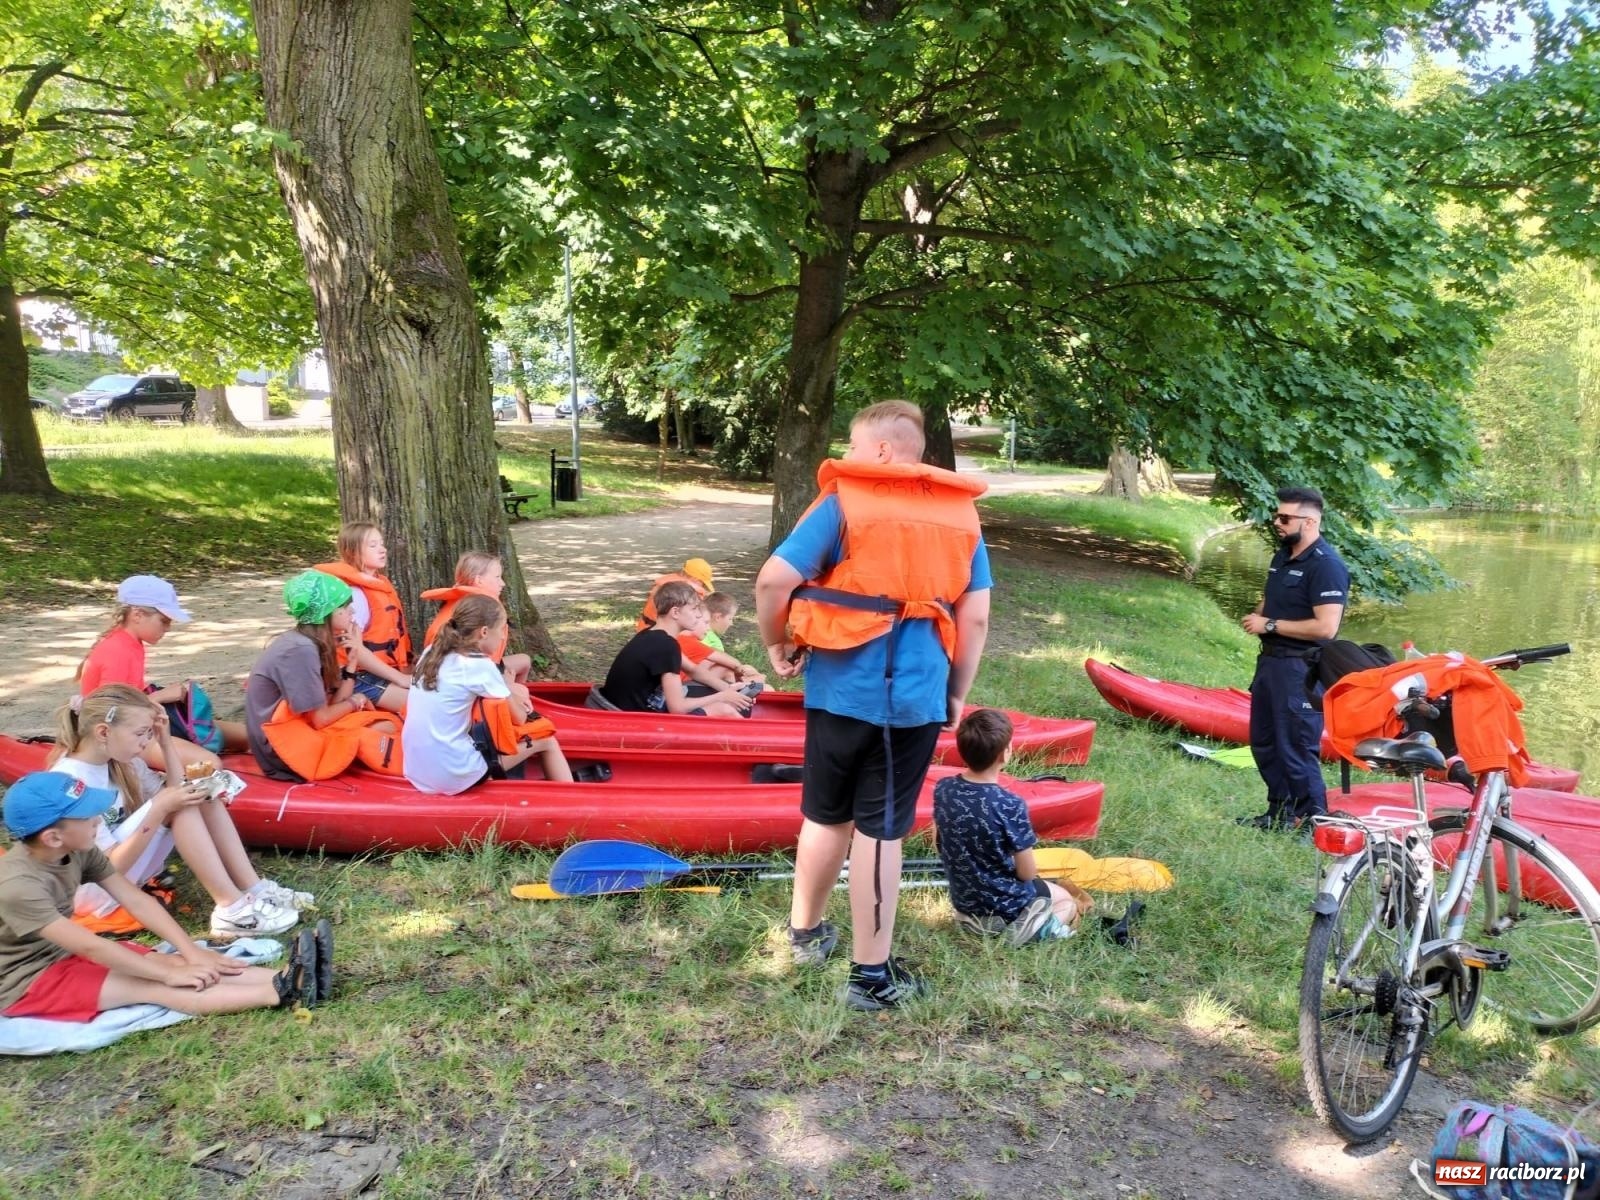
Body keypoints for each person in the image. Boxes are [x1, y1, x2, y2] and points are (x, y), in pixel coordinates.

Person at [755, 399, 992, 1011]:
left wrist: (778, 642)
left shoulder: (843, 503)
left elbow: (772, 581)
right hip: (912, 698)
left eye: (855, 447)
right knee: (881, 831)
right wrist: (958, 689)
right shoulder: (962, 517)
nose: (850, 457)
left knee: (825, 814)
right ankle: (871, 976)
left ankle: (804, 933)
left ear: (883, 451)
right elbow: (977, 614)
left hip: (837, 692)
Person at [0, 772, 330, 1022]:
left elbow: (136, 899)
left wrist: (189, 952)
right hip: (24, 981)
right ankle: (282, 991)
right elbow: (90, 945)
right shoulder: (18, 886)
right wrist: (170, 974)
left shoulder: (78, 850)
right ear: (53, 837)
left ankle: (296, 973)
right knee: (158, 985)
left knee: (171, 962)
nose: (97, 821)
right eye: (87, 817)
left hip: (63, 956)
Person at [49, 685, 306, 937]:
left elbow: (176, 787)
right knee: (177, 800)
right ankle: (232, 908)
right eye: (141, 733)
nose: (145, 742)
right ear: (104, 732)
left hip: (121, 876)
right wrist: (160, 808)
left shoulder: (119, 762)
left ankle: (256, 888)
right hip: (91, 889)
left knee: (197, 791)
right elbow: (103, 868)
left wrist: (166, 742)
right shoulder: (70, 782)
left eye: (149, 734)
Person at [1237, 485, 1349, 831]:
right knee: (1266, 742)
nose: (1277, 522)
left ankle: (1316, 822)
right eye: (1276, 515)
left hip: (1301, 669)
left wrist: (1268, 623)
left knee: (1297, 749)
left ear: (1310, 522)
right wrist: (1262, 613)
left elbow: (1326, 628)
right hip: (1270, 663)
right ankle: (1279, 814)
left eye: (1285, 517)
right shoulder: (1282, 557)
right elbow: (1273, 599)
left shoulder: (1327, 565)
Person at [932, 710, 1079, 946]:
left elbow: (938, 840)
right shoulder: (1010, 805)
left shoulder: (943, 788)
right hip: (1004, 901)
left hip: (964, 898)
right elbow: (1027, 873)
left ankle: (975, 920)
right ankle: (1032, 929)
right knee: (1066, 901)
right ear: (1005, 753)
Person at [403, 594, 572, 793]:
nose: (502, 636)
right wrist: (508, 685)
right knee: (547, 740)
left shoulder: (432, 651)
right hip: (451, 773)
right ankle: (572, 802)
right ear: (484, 632)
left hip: (416, 768)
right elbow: (519, 717)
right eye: (501, 630)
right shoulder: (479, 666)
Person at [76, 575, 247, 768]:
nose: (168, 628)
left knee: (249, 735)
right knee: (209, 764)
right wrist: (162, 696)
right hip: (120, 734)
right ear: (137, 615)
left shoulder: (130, 643)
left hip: (139, 722)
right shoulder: (118, 651)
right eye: (164, 621)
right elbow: (112, 712)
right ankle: (167, 793)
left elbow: (131, 695)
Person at [244, 570, 392, 782]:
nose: (352, 611)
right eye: (344, 606)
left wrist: (353, 661)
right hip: (284, 749)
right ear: (325, 613)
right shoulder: (300, 649)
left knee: (385, 723)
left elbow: (334, 703)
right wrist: (356, 700)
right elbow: (321, 719)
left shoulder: (314, 642)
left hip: (301, 732)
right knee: (384, 728)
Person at [599, 581, 755, 718]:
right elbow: (678, 708)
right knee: (723, 709)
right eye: (694, 609)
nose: (699, 615)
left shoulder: (652, 635)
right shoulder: (667, 646)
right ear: (675, 612)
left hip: (622, 708)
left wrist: (729, 689)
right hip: (634, 718)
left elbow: (693, 670)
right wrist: (722, 697)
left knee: (719, 699)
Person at [315, 522, 412, 712]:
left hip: (381, 671)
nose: (382, 549)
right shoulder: (354, 595)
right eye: (373, 545)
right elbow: (354, 649)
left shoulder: (379, 584)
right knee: (426, 705)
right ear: (352, 552)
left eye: (382, 544)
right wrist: (400, 678)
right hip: (358, 677)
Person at [420, 551, 533, 685]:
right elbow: (473, 664)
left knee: (524, 661)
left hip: (453, 668)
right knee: (519, 690)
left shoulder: (461, 602)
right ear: (479, 580)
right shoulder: (480, 610)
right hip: (464, 675)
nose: (502, 583)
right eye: (497, 577)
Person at [675, 599, 765, 688]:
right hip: (684, 688)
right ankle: (734, 694)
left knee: (720, 667)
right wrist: (747, 672)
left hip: (683, 685)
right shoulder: (687, 641)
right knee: (725, 669)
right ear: (693, 621)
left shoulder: (680, 639)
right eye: (706, 623)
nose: (709, 628)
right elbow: (733, 663)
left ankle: (736, 690)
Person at [636, 558, 714, 631]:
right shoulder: (687, 593)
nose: (703, 587)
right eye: (703, 584)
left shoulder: (667, 585)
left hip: (644, 628)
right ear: (695, 579)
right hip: (660, 634)